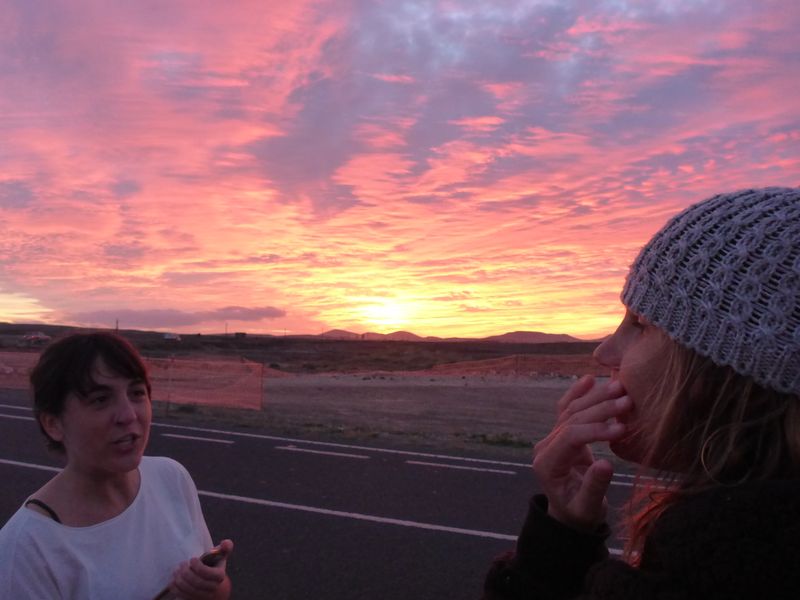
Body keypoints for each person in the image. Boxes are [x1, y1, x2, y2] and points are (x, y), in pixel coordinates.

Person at [482, 187, 800, 599]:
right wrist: (566, 528)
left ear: (734, 369)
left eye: (641, 324)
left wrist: (553, 553)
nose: (604, 353)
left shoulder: (722, 562)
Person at [0, 332, 234, 599]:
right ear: (53, 423)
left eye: (136, 393)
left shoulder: (172, 477)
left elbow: (217, 592)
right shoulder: (25, 552)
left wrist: (211, 588)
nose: (128, 414)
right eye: (100, 399)